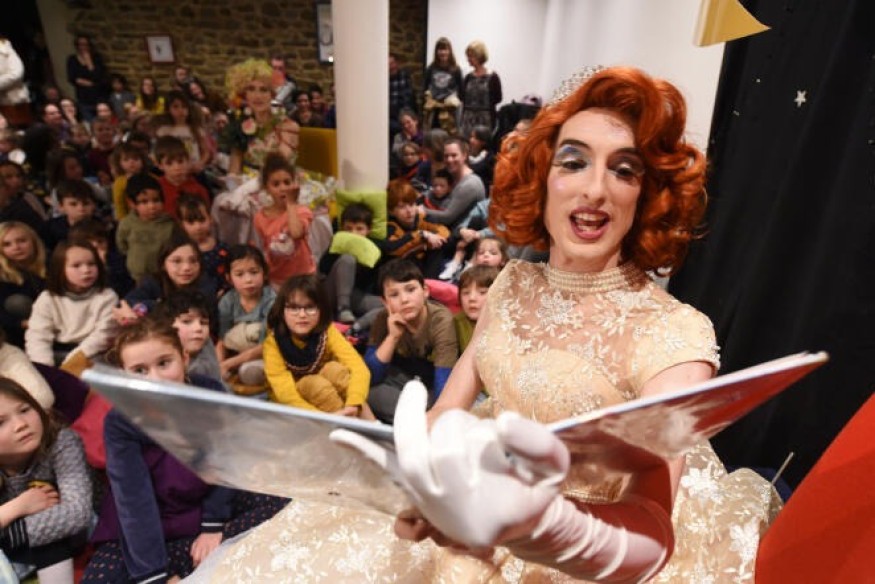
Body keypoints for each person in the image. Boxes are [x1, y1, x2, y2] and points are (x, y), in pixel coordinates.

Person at [190, 66, 779, 582]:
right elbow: (453, 405)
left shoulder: (675, 334)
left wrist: (542, 527)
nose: (595, 189)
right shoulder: (512, 282)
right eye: (574, 162)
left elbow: (651, 535)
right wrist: (410, 474)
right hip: (464, 510)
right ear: (542, 177)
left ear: (647, 196)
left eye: (624, 171)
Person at [82, 318, 286, 583]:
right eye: (140, 370)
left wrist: (213, 526)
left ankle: (205, 554)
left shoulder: (209, 392)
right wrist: (156, 576)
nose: (155, 378)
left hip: (207, 509)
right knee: (100, 577)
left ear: (184, 359)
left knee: (285, 501)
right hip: (154, 524)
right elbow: (134, 501)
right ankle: (189, 562)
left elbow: (226, 460)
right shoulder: (120, 422)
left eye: (164, 363)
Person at [0, 376, 92, 584]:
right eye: (0, 422)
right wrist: (18, 506)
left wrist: (8, 533)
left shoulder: (62, 442)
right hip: (14, 548)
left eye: (25, 410)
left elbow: (78, 513)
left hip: (69, 537)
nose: (21, 425)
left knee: (51, 534)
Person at [262, 274, 372, 416]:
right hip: (297, 406)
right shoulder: (273, 343)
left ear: (321, 310)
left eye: (310, 307)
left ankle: (370, 424)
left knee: (336, 371)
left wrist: (354, 403)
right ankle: (346, 425)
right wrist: (325, 418)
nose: (302, 315)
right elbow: (286, 394)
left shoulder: (327, 331)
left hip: (332, 393)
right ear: (282, 311)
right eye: (294, 308)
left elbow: (359, 368)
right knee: (314, 384)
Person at [364, 259, 458, 423]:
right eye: (394, 295)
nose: (404, 299)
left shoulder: (441, 320)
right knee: (363, 391)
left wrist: (436, 415)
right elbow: (369, 377)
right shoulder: (383, 318)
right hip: (400, 382)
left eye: (411, 290)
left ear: (425, 291)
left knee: (443, 407)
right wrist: (392, 338)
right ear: (385, 302)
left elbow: (443, 382)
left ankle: (412, 422)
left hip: (430, 387)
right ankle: (413, 422)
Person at [25, 240, 118, 368]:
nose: (86, 270)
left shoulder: (107, 296)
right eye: (76, 265)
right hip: (56, 351)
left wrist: (72, 362)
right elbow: (38, 335)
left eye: (91, 264)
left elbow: (102, 336)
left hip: (90, 352)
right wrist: (45, 368)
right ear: (60, 269)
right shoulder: (47, 298)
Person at [115, 231, 216, 324]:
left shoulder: (206, 284)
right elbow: (125, 304)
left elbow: (183, 309)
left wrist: (153, 306)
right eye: (177, 261)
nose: (186, 267)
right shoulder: (153, 281)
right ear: (163, 264)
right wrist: (150, 307)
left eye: (193, 261)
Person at [217, 245, 275, 391]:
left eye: (254, 272)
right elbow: (222, 340)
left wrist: (229, 364)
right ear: (229, 278)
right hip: (235, 354)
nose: (248, 280)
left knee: (249, 373)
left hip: (265, 354)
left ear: (264, 273)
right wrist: (219, 366)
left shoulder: (271, 301)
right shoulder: (227, 301)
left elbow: (267, 345)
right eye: (240, 274)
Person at [252, 152, 314, 288]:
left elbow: (296, 233)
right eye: (276, 184)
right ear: (267, 188)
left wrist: (291, 204)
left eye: (287, 182)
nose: (283, 188)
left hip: (303, 277)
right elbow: (261, 248)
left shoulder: (302, 211)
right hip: (277, 279)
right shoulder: (260, 217)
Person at [115, 172, 176, 283]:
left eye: (156, 200)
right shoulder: (127, 224)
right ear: (132, 203)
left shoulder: (170, 224)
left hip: (164, 277)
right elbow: (122, 246)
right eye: (144, 202)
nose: (152, 206)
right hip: (136, 277)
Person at [423, 137, 486, 232]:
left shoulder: (471, 184)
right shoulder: (450, 177)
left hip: (461, 235)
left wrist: (421, 211)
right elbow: (432, 194)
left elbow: (447, 217)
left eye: (454, 155)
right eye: (446, 156)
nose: (449, 160)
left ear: (464, 156)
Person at [0, 222, 46, 347]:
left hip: (51, 322)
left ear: (33, 241)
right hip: (16, 333)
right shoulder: (2, 275)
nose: (16, 247)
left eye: (22, 241)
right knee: (18, 302)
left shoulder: (51, 265)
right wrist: (22, 323)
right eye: (7, 244)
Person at [154, 135, 210, 218]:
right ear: (160, 165)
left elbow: (205, 218)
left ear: (188, 160)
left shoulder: (199, 190)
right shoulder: (156, 189)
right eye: (169, 163)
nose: (177, 167)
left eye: (180, 161)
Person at [460, 40, 503, 137]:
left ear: (479, 56)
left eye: (471, 56)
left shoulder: (493, 77)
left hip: (486, 119)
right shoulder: (468, 77)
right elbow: (462, 97)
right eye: (468, 56)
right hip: (468, 119)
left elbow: (498, 98)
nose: (468, 59)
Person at [423, 37, 462, 134]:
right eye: (440, 49)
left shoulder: (456, 69)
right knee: (433, 134)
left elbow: (461, 90)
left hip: (449, 110)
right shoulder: (431, 68)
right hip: (434, 108)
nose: (443, 52)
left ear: (450, 51)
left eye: (445, 49)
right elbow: (425, 88)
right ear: (436, 52)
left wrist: (455, 102)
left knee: (449, 135)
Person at [65, 35, 106, 121]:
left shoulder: (96, 58)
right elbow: (72, 78)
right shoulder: (72, 59)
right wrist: (88, 82)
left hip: (98, 96)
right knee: (89, 121)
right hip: (83, 98)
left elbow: (98, 76)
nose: (83, 47)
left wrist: (89, 63)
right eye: (81, 44)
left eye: (86, 44)